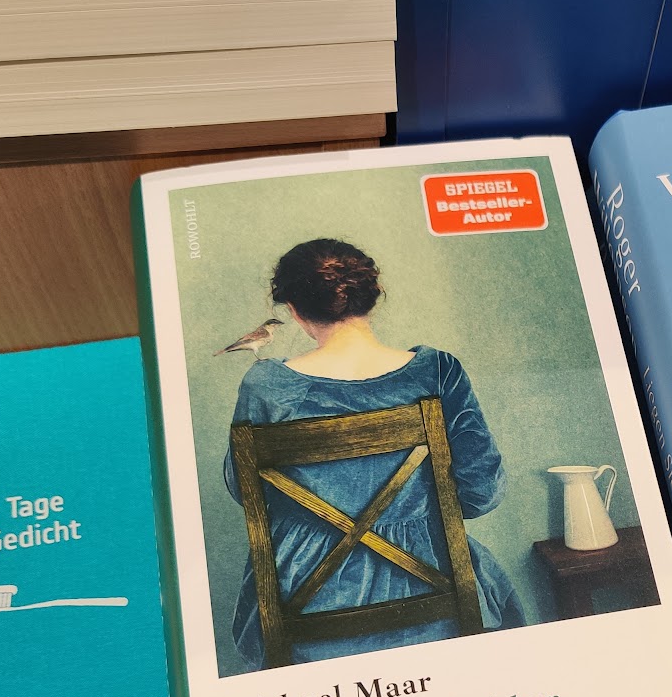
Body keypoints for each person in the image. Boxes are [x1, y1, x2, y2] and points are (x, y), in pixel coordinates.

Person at [224, 237, 525, 671]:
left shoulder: (267, 386)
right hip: (435, 596)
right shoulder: (439, 371)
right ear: (373, 292)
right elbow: (482, 493)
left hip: (306, 603)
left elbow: (245, 491)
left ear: (294, 309)